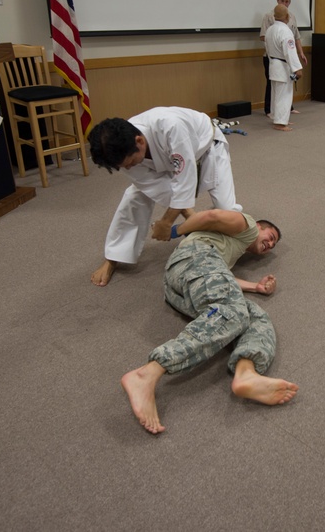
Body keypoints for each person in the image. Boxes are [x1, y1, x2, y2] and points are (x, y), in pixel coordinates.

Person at [121, 209, 297, 434]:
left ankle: (247, 372)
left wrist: (256, 287)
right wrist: (173, 230)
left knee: (255, 317)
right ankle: (148, 372)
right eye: (270, 236)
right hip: (195, 260)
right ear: (259, 227)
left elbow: (216, 278)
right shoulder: (248, 225)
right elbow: (211, 216)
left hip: (184, 283)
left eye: (273, 245)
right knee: (234, 311)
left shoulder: (230, 249)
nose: (271, 244)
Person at [88, 108, 240, 286]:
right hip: (164, 163)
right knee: (134, 197)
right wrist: (191, 221)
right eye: (124, 166)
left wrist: (168, 223)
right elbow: (160, 188)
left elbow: (184, 181)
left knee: (227, 208)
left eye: (129, 162)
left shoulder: (170, 127)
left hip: (206, 146)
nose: (128, 168)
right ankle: (113, 258)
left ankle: (243, 238)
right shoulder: (123, 150)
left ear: (139, 140)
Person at [260, 0, 307, 118]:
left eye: (287, 1)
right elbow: (265, 37)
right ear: (277, 0)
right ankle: (270, 110)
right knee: (275, 86)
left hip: (285, 57)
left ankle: (286, 110)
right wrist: (298, 68)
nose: (284, 3)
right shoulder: (270, 17)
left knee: (285, 87)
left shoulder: (291, 17)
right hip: (274, 57)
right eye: (282, 1)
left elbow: (296, 37)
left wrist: (301, 53)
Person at [264, 4, 303, 132]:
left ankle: (278, 117)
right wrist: (297, 68)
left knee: (276, 94)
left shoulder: (270, 30)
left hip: (273, 64)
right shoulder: (286, 31)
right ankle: (280, 123)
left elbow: (268, 49)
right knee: (284, 96)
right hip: (282, 66)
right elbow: (289, 52)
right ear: (287, 16)